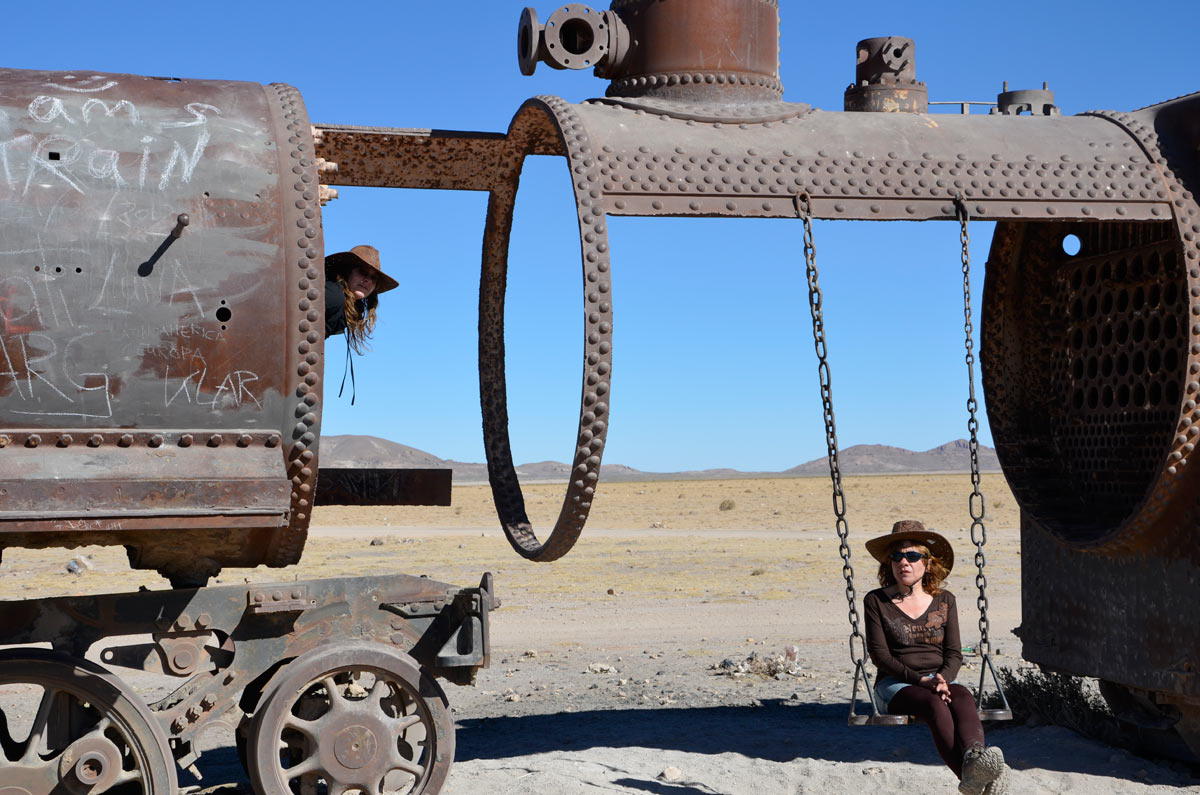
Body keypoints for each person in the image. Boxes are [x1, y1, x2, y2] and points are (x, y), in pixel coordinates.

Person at [863, 520, 1010, 795]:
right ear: (889, 563)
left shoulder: (945, 600)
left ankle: (976, 761)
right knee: (935, 705)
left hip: (937, 679)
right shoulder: (876, 601)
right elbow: (880, 656)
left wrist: (944, 678)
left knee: (963, 695)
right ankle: (974, 782)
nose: (903, 562)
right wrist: (922, 681)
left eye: (912, 555)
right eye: (896, 556)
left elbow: (954, 652)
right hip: (896, 685)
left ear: (927, 563)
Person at [324, 245, 399, 403]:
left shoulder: (348, 308)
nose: (368, 281)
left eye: (373, 278)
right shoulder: (333, 295)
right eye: (362, 272)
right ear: (347, 272)